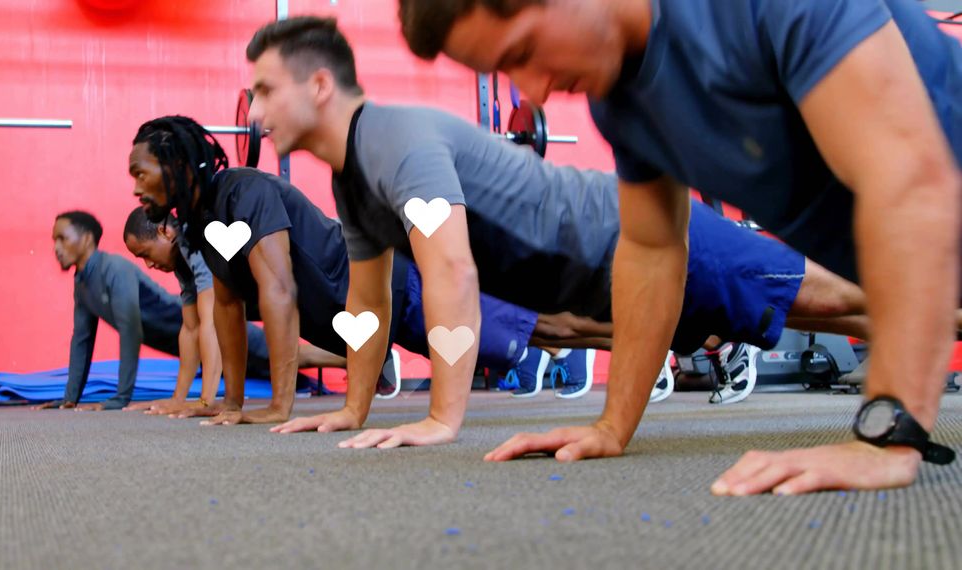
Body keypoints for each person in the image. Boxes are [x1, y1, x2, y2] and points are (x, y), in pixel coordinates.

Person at [240, 17, 952, 447]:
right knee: (833, 308)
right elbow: (368, 309)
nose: (256, 110)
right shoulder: (352, 178)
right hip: (610, 283)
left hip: (640, 237)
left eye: (267, 89)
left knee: (843, 300)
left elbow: (452, 273)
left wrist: (442, 420)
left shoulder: (393, 138)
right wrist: (352, 409)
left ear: (320, 85)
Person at [396, 0, 962, 494]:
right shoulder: (621, 101)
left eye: (524, 51)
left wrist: (886, 432)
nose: (535, 92)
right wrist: (612, 426)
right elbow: (650, 249)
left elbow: (911, 188)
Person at [127, 116, 596, 426]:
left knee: (555, 327)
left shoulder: (243, 192)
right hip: (373, 321)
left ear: (178, 166)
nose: (136, 188)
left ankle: (647, 338)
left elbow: (279, 291)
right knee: (536, 336)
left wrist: (279, 405)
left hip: (401, 287)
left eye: (141, 173)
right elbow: (226, 308)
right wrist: (230, 402)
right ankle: (640, 338)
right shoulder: (199, 225)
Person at [121, 206, 346, 417]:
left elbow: (211, 323)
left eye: (145, 254)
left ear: (165, 232)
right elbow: (191, 328)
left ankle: (369, 362)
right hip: (271, 282)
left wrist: (205, 401)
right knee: (279, 350)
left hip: (329, 252)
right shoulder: (182, 263)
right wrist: (177, 399)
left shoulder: (195, 241)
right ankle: (362, 361)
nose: (148, 265)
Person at [32, 211, 225, 411]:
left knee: (256, 356)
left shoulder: (115, 268)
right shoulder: (82, 283)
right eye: (55, 240)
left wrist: (120, 398)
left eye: (62, 238)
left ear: (87, 238)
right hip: (198, 340)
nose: (56, 248)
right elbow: (82, 339)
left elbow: (131, 331)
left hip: (220, 331)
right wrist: (69, 398)